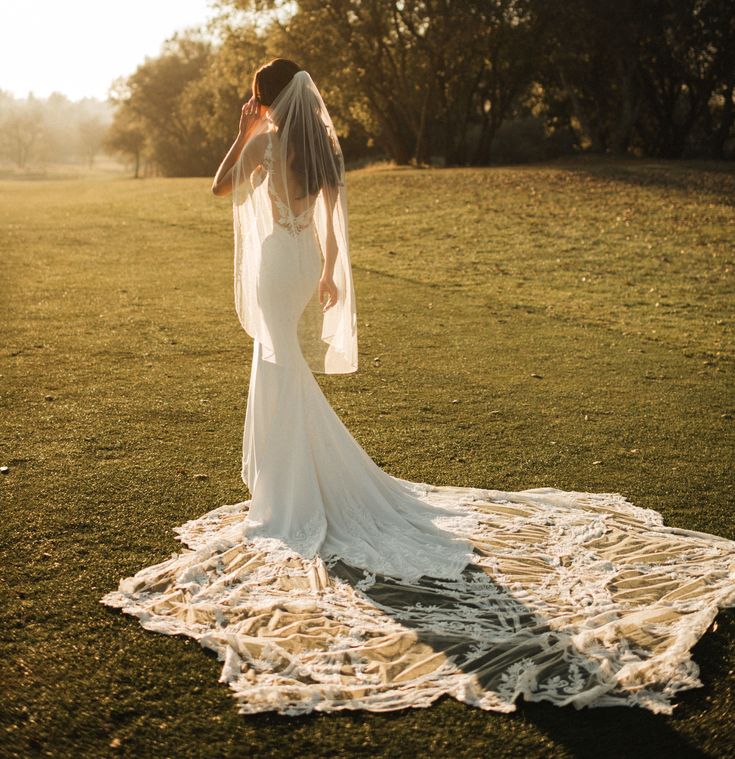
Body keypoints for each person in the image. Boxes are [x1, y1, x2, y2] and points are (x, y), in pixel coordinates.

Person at [102, 60, 735, 717]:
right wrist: (328, 275)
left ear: (264, 100)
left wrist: (242, 131)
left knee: (277, 362)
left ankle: (291, 492)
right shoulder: (314, 145)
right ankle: (288, 480)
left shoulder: (265, 139)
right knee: (280, 360)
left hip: (275, 262)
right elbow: (326, 220)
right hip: (301, 260)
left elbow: (218, 187)